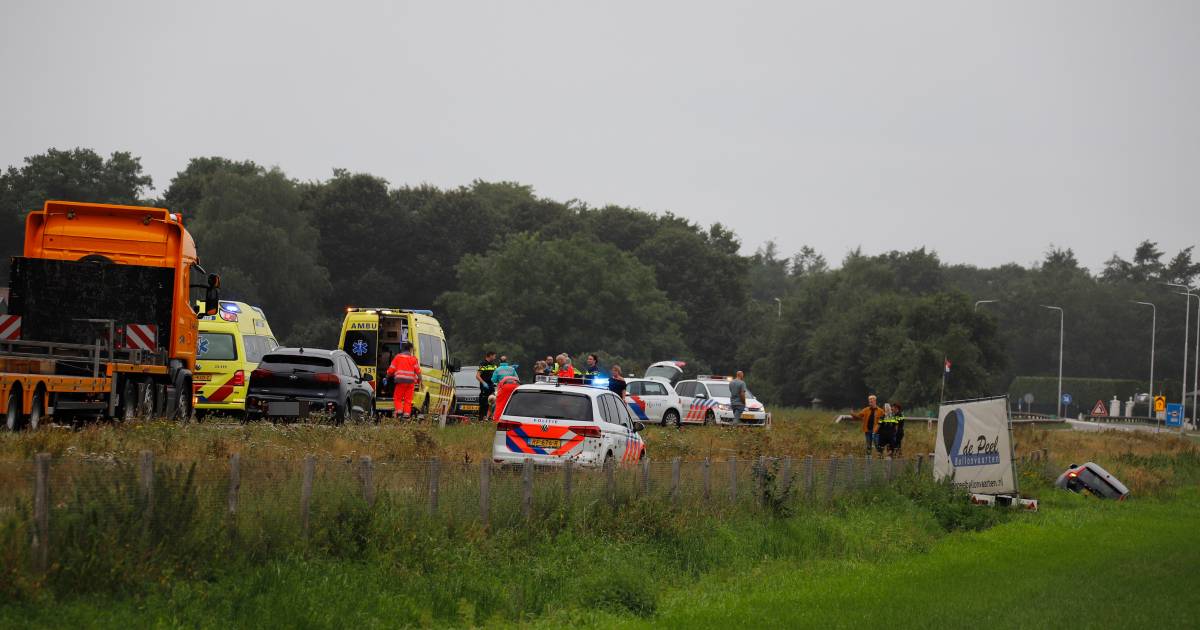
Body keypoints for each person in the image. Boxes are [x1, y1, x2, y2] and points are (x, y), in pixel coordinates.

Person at [386, 341, 421, 420]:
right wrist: (420, 381)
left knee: (397, 398)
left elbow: (391, 369)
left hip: (400, 381)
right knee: (408, 400)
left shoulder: (398, 357)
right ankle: (406, 415)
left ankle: (399, 412)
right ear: (410, 349)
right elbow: (418, 372)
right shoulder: (413, 359)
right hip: (410, 383)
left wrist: (386, 377)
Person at [476, 351, 497, 423]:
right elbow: (477, 376)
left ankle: (488, 418)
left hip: (491, 386)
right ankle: (481, 419)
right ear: (490, 355)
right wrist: (483, 383)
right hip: (485, 387)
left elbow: (497, 372)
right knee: (484, 403)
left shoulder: (493, 365)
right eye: (494, 356)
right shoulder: (483, 364)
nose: (495, 358)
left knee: (492, 402)